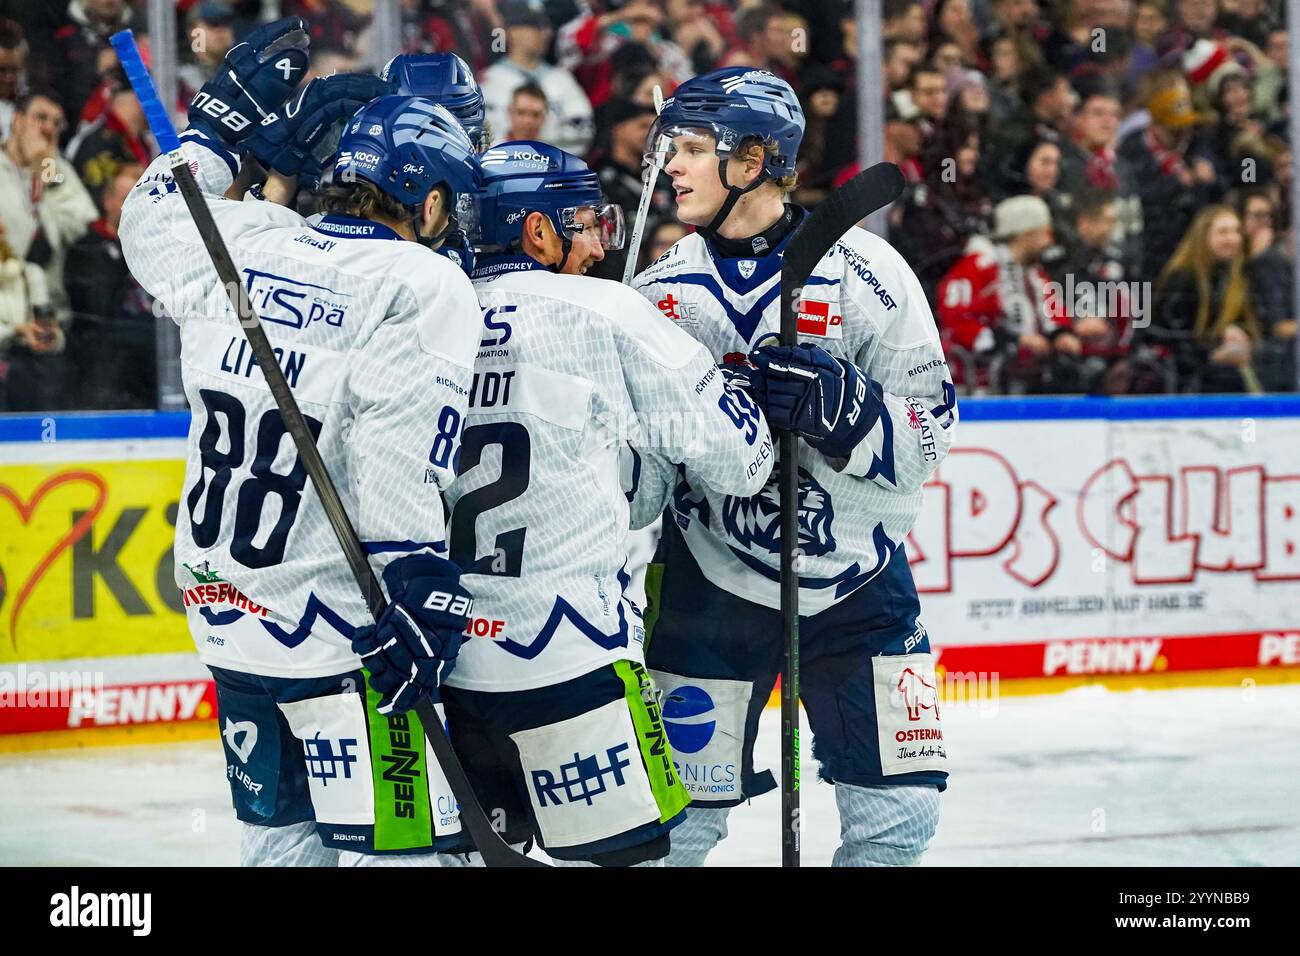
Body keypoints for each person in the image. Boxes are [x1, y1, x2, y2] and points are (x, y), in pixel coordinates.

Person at [118, 19, 484, 866]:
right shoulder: (419, 279)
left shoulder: (242, 239)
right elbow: (396, 459)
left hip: (225, 617)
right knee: (400, 858)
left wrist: (211, 132)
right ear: (429, 202)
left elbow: (152, 221)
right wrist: (420, 582)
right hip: (339, 632)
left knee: (280, 852)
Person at [630, 67, 956, 867]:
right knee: (676, 833)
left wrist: (850, 413)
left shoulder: (871, 277)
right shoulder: (658, 295)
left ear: (755, 159)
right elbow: (637, 487)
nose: (672, 165)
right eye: (672, 147)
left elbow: (933, 435)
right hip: (710, 590)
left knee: (899, 820)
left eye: (694, 149)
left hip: (859, 586)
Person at [434, 141, 773, 866]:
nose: (597, 244)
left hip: (447, 669)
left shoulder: (428, 311)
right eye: (586, 223)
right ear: (536, 232)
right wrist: (741, 393)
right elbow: (744, 464)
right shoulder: (607, 311)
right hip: (571, 661)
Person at [1146, 204, 1263, 392]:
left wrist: (1238, 334)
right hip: (1179, 373)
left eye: (1236, 231)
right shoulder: (1182, 279)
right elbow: (1171, 336)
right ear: (1204, 236)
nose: (1232, 238)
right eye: (1223, 232)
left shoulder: (1235, 278)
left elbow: (1255, 324)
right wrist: (1215, 351)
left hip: (1212, 367)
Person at [480, 0, 594, 156]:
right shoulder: (489, 81)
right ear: (512, 31)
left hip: (553, 171)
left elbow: (584, 133)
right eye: (535, 26)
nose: (545, 32)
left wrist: (540, 151)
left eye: (546, 26)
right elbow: (477, 137)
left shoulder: (562, 79)